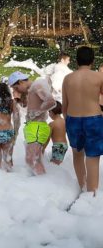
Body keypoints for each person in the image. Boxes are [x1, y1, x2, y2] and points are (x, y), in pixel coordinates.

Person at [62, 46, 103, 194]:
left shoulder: (68, 78)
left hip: (73, 119)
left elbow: (64, 106)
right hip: (94, 119)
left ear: (76, 60)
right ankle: (92, 193)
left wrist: (68, 121)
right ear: (92, 60)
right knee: (92, 157)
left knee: (77, 154)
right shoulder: (99, 77)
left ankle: (83, 186)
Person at [10, 71, 56, 175]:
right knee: (32, 159)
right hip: (33, 126)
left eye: (15, 88)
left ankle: (42, 183)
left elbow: (51, 102)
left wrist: (37, 112)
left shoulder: (38, 84)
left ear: (21, 82)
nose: (15, 90)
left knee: (32, 159)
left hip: (38, 126)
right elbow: (32, 105)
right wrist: (19, 99)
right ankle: (40, 183)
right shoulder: (31, 89)